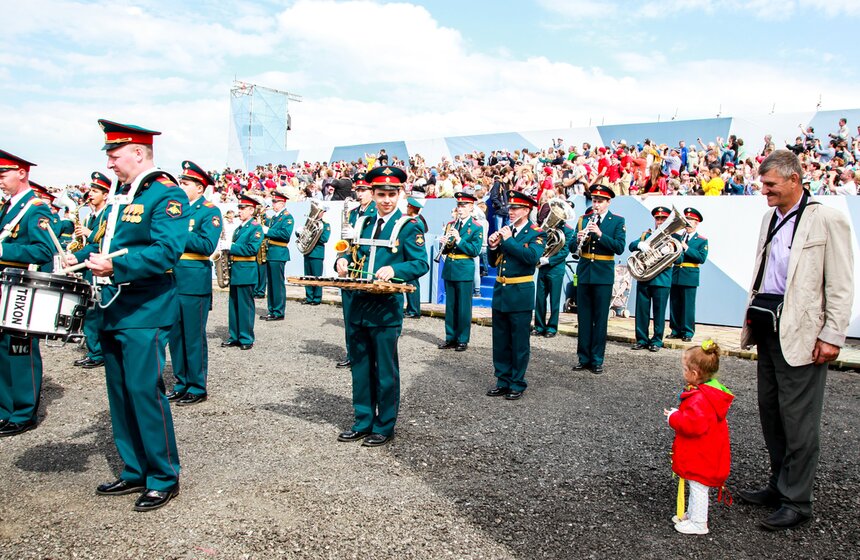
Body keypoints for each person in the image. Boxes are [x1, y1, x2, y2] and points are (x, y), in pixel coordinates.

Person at [68, 119, 190, 511]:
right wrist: (84, 258)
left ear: (139, 153)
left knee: (144, 391)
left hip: (145, 307)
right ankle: (134, 469)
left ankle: (162, 476)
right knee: (120, 393)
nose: (111, 165)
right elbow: (107, 243)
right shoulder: (121, 195)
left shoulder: (164, 195)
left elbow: (166, 252)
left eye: (116, 157)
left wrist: (115, 268)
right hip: (112, 306)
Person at [738, 150, 853, 531]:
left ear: (794, 179)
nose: (764, 190)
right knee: (771, 413)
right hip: (768, 328)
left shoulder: (826, 218)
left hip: (803, 334)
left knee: (799, 421)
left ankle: (797, 501)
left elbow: (840, 282)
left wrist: (832, 334)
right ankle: (778, 486)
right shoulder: (770, 217)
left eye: (770, 184)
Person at [335, 165, 429, 446]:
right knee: (361, 367)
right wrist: (342, 264)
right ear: (372, 194)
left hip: (386, 307)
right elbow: (353, 257)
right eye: (381, 194)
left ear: (400, 194)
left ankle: (384, 425)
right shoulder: (362, 223)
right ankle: (362, 421)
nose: (387, 199)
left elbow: (420, 263)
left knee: (386, 370)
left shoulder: (409, 226)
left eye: (392, 193)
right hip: (359, 305)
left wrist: (395, 270)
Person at [0, 149, 53, 437]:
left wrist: (3, 250)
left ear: (21, 173)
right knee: (1, 349)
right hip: (4, 284)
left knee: (19, 350)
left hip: (20, 287)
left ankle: (23, 412)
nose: (0, 180)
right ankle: (5, 409)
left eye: (3, 174)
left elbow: (43, 250)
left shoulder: (36, 208)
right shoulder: (8, 206)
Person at [166, 161, 222, 406]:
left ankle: (197, 386)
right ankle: (181, 383)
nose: (181, 186)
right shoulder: (177, 210)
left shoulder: (209, 211)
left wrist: (177, 233)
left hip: (193, 280)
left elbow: (207, 246)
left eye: (186, 183)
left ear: (200, 188)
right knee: (175, 336)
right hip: (171, 279)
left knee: (193, 336)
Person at [664, 339, 734, 535]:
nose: (682, 372)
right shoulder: (711, 393)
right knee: (697, 486)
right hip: (708, 452)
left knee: (698, 488)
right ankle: (692, 515)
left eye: (684, 368)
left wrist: (673, 417)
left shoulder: (700, 398)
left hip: (702, 456)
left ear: (694, 374)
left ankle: (699, 522)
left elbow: (691, 425)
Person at [486, 191, 545, 400]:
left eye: (515, 208)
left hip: (520, 293)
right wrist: (493, 247)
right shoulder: (507, 230)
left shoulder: (536, 232)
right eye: (510, 208)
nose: (511, 212)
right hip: (501, 291)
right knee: (500, 341)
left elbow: (530, 258)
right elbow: (495, 262)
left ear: (527, 210)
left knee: (519, 342)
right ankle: (503, 380)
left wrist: (508, 241)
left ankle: (517, 382)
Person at [571, 185, 626, 374]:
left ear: (608, 202)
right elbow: (572, 247)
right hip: (585, 272)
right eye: (594, 201)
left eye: (600, 202)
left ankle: (596, 359)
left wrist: (601, 235)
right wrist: (577, 239)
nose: (596, 205)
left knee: (600, 319)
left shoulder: (617, 221)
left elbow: (619, 247)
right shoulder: (583, 220)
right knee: (584, 318)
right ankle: (583, 357)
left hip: (603, 275)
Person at [336, 172, 376, 368]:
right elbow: (344, 243)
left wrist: (357, 235)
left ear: (372, 191)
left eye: (363, 190)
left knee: (366, 316)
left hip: (366, 269)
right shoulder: (352, 213)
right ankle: (352, 353)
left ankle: (365, 355)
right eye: (357, 190)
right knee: (349, 314)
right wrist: (341, 258)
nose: (359, 194)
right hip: (350, 269)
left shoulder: (376, 213)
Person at [72, 172, 111, 369]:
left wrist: (89, 234)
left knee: (98, 311)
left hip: (100, 267)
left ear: (106, 194)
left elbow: (102, 243)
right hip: (86, 267)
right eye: (90, 190)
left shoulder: (109, 213)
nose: (90, 195)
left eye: (95, 191)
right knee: (88, 310)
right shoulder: (88, 217)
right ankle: (92, 349)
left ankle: (99, 352)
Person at [438, 192, 484, 351]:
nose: (460, 208)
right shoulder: (451, 224)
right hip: (450, 267)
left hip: (464, 268)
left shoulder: (476, 227)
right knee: (450, 306)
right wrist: (443, 243)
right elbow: (444, 251)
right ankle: (450, 337)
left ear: (471, 207)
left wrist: (458, 239)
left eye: (464, 206)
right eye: (459, 205)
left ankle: (462, 339)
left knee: (464, 307)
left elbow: (475, 250)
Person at [221, 194, 264, 349]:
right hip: (237, 271)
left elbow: (252, 249)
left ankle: (246, 338)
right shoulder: (240, 228)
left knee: (245, 307)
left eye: (243, 208)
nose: (239, 211)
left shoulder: (255, 227)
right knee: (234, 305)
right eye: (239, 208)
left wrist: (230, 246)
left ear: (251, 210)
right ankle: (235, 336)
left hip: (246, 270)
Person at [629, 207, 673, 352]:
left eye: (663, 219)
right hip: (645, 278)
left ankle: (657, 340)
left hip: (661, 279)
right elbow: (631, 245)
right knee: (642, 311)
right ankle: (641, 339)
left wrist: (669, 251)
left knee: (659, 313)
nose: (660, 221)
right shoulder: (647, 235)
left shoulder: (674, 237)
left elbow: (681, 258)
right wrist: (639, 245)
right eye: (658, 218)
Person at [532, 206, 574, 338]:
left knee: (554, 300)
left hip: (556, 269)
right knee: (539, 298)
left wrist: (549, 260)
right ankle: (539, 326)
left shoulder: (568, 230)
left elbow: (564, 251)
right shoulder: (547, 227)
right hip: (543, 267)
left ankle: (552, 327)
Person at [668, 208, 708, 342]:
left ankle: (687, 332)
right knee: (675, 304)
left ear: (697, 223)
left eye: (691, 221)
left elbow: (701, 258)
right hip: (676, 274)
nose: (688, 223)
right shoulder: (677, 237)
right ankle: (675, 330)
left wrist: (686, 248)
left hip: (690, 275)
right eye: (687, 220)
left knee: (688, 306)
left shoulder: (701, 240)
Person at [260, 190, 294, 319]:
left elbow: (285, 235)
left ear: (282, 202)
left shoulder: (287, 217)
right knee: (271, 283)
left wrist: (268, 231)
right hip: (271, 252)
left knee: (277, 284)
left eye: (274, 201)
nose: (272, 204)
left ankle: (278, 311)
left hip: (278, 253)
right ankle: (272, 310)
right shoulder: (275, 217)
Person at [403, 196, 427, 318]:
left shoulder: (415, 223)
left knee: (412, 284)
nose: (406, 208)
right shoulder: (415, 221)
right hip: (410, 255)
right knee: (410, 283)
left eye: (408, 206)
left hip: (412, 256)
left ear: (412, 208)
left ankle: (414, 310)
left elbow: (415, 241)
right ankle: (411, 308)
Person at [300, 205, 330, 305]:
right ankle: (309, 297)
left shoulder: (326, 225)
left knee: (317, 277)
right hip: (308, 252)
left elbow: (324, 239)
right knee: (308, 276)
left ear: (323, 213)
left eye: (320, 211)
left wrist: (314, 234)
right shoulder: (309, 222)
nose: (318, 213)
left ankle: (317, 298)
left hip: (317, 253)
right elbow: (303, 234)